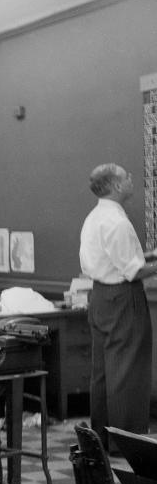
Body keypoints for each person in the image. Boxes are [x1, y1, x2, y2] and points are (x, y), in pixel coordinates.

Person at [79, 163, 157, 448]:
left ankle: (102, 437)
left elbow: (116, 258)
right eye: (127, 177)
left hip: (100, 297)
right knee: (127, 369)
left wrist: (151, 254)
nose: (131, 180)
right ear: (115, 186)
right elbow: (133, 271)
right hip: (123, 298)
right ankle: (126, 442)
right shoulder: (117, 222)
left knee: (103, 371)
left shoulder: (95, 217)